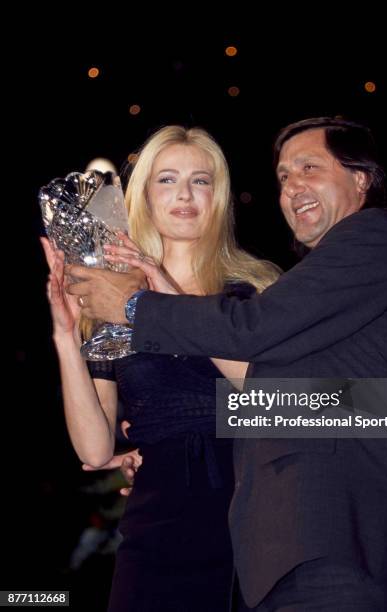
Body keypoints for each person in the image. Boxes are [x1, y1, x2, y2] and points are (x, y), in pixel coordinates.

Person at [68, 117, 387, 611]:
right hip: (291, 548)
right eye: (283, 176)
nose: (292, 187)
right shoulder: (337, 282)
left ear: (362, 177)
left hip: (341, 541)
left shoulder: (374, 237)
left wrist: (138, 305)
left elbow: (257, 335)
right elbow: (323, 403)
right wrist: (168, 440)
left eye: (310, 167)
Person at [42, 125, 279, 612]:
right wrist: (66, 335)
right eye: (167, 180)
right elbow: (94, 446)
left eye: (201, 180)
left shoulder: (255, 287)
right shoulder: (111, 299)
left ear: (220, 195)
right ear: (144, 196)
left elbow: (275, 391)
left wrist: (159, 297)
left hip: (249, 514)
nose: (185, 195)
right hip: (156, 523)